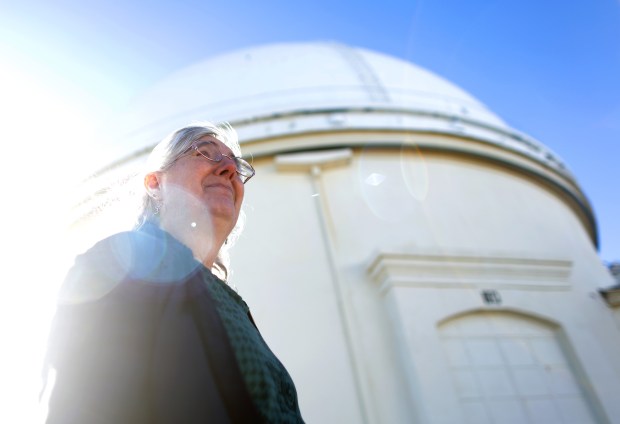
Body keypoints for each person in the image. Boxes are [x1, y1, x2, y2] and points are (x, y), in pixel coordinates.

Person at [43, 122, 305, 423]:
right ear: (155, 183)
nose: (228, 169)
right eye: (204, 154)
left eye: (236, 165)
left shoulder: (232, 304)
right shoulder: (119, 266)